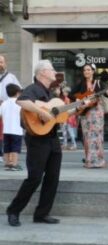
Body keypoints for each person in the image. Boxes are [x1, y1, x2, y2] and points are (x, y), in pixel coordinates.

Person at [7, 60, 62, 227]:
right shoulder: (33, 88)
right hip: (38, 140)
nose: (54, 72)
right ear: (43, 73)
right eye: (52, 69)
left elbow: (59, 115)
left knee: (52, 178)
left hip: (53, 139)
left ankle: (42, 214)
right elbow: (21, 101)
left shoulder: (50, 93)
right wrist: (40, 112)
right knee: (35, 178)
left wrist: (80, 106)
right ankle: (14, 211)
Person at [70, 63, 108, 168]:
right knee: (87, 136)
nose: (86, 72)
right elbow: (71, 94)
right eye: (85, 70)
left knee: (97, 136)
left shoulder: (98, 83)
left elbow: (107, 94)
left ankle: (99, 161)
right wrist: (79, 99)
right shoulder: (81, 83)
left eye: (88, 70)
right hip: (85, 112)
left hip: (97, 112)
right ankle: (89, 160)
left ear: (93, 71)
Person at [0, 55, 22, 163]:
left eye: (1, 62)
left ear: (5, 63)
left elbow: (19, 91)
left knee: (7, 142)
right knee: (12, 145)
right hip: (12, 126)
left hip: (5, 108)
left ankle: (9, 163)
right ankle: (12, 164)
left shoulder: (11, 77)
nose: (0, 65)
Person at [0, 84, 23, 171]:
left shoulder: (4, 103)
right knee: (15, 147)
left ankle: (7, 163)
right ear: (18, 93)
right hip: (17, 129)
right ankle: (14, 164)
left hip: (6, 130)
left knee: (7, 147)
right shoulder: (20, 103)